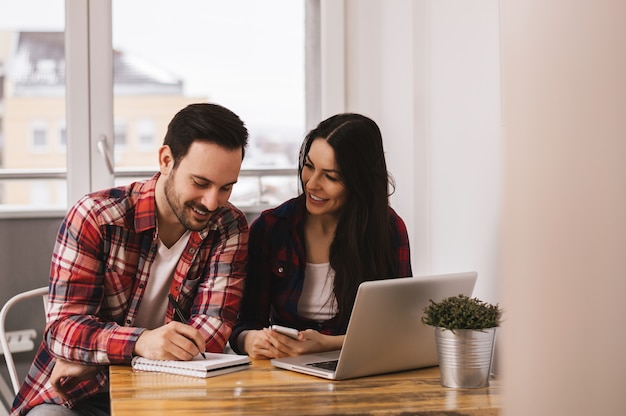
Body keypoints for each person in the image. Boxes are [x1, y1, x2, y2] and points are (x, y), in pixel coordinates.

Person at [12, 103, 249, 416]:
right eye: (200, 183)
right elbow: (62, 331)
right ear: (166, 160)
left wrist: (106, 355)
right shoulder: (95, 217)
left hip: (172, 391)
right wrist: (142, 343)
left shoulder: (229, 225)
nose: (211, 201)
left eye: (226, 188)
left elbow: (212, 333)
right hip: (81, 394)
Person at [230, 113, 412, 359]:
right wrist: (250, 340)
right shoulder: (270, 228)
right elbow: (243, 325)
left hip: (360, 369)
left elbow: (399, 328)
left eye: (331, 176)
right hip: (283, 372)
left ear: (360, 182)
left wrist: (327, 344)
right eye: (309, 166)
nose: (312, 184)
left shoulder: (388, 230)